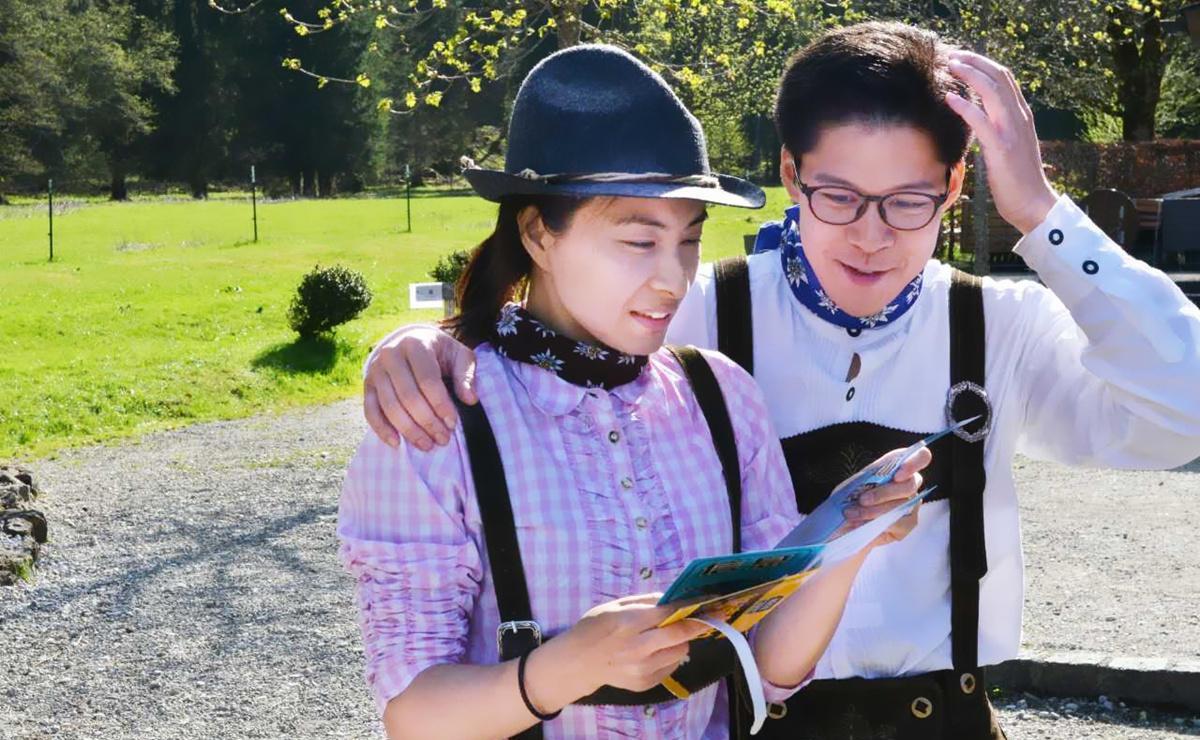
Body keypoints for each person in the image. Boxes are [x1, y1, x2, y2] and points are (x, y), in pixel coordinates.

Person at [357, 21, 1200, 740]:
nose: (871, 236)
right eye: (837, 195)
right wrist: (421, 344)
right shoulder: (689, 319)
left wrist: (1042, 216)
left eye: (908, 201)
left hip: (941, 715)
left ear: (953, 189)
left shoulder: (1001, 329)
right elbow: (552, 336)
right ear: (791, 176)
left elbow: (1185, 407)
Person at [338, 43, 930, 740]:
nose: (674, 279)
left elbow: (767, 664)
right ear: (538, 233)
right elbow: (413, 716)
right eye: (637, 242)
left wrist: (845, 540)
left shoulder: (721, 398)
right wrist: (561, 669)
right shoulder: (438, 419)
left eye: (688, 241)